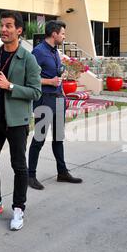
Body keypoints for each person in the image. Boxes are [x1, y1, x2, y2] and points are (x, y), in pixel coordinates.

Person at [0, 10, 42, 230]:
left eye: (8, 26)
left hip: (16, 122)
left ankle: (18, 208)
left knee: (19, 166)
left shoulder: (28, 59)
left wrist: (10, 86)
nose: (3, 29)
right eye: (2, 25)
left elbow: (36, 92)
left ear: (19, 30)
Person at [28, 20, 83, 190]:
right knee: (39, 139)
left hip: (58, 100)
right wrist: (49, 81)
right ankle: (30, 176)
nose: (64, 37)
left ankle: (62, 172)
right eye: (63, 34)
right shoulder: (38, 52)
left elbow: (56, 76)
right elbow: (29, 77)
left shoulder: (55, 52)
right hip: (44, 100)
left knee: (59, 138)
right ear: (54, 34)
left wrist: (62, 90)